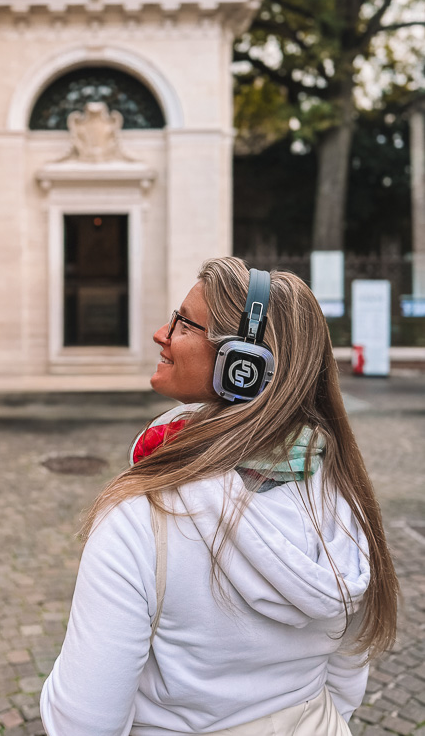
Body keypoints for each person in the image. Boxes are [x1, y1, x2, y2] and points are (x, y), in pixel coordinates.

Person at [40, 257, 398, 736]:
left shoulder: (140, 518)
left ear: (242, 365)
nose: (161, 334)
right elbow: (347, 674)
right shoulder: (342, 501)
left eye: (184, 323)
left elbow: (83, 722)